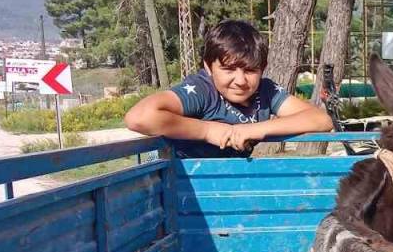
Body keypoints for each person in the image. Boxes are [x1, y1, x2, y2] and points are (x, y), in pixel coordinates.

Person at [124, 19, 333, 157]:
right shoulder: (202, 90)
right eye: (229, 69)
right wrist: (208, 130)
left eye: (250, 70)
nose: (241, 80)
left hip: (226, 189)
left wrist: (253, 129)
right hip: (181, 189)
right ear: (208, 66)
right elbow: (138, 117)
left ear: (263, 68)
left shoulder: (266, 91)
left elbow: (321, 119)